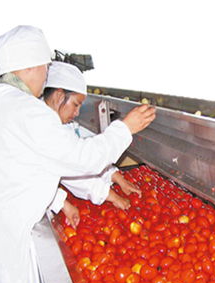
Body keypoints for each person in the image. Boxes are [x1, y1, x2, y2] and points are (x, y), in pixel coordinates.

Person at [0, 25, 155, 283]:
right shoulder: (25, 110)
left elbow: (27, 166)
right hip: (8, 244)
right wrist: (125, 128)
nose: (44, 75)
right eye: (43, 67)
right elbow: (80, 158)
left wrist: (68, 198)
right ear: (28, 66)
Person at [42, 62, 141, 228]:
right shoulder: (44, 127)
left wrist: (117, 178)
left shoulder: (55, 124)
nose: (77, 113)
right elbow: (80, 163)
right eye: (76, 104)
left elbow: (77, 160)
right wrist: (112, 196)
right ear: (59, 95)